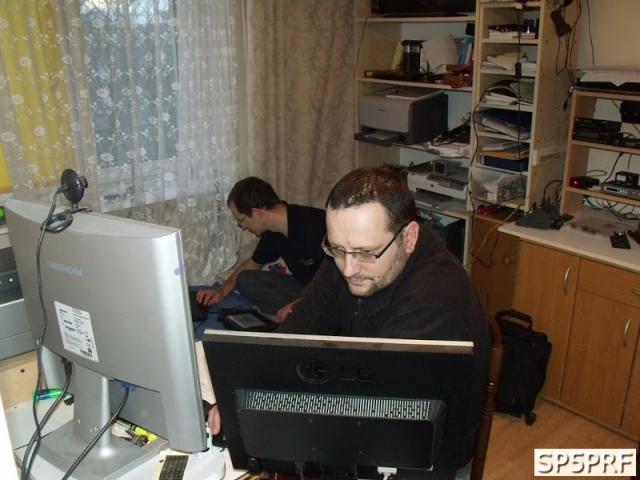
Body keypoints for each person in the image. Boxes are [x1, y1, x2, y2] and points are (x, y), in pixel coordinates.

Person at [207, 167, 490, 478]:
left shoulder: (434, 306)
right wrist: (245, 386)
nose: (348, 269)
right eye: (337, 249)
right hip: (374, 409)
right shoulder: (350, 254)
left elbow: (381, 415)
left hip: (422, 454)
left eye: (365, 253)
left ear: (408, 237)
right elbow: (304, 321)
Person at [196, 176, 326, 321]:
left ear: (257, 213)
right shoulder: (273, 230)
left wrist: (296, 306)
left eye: (241, 220)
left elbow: (335, 284)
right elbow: (253, 263)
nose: (242, 227)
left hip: (332, 294)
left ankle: (306, 318)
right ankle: (300, 314)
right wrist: (220, 291)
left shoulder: (314, 227)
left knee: (323, 310)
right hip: (306, 287)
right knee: (244, 279)